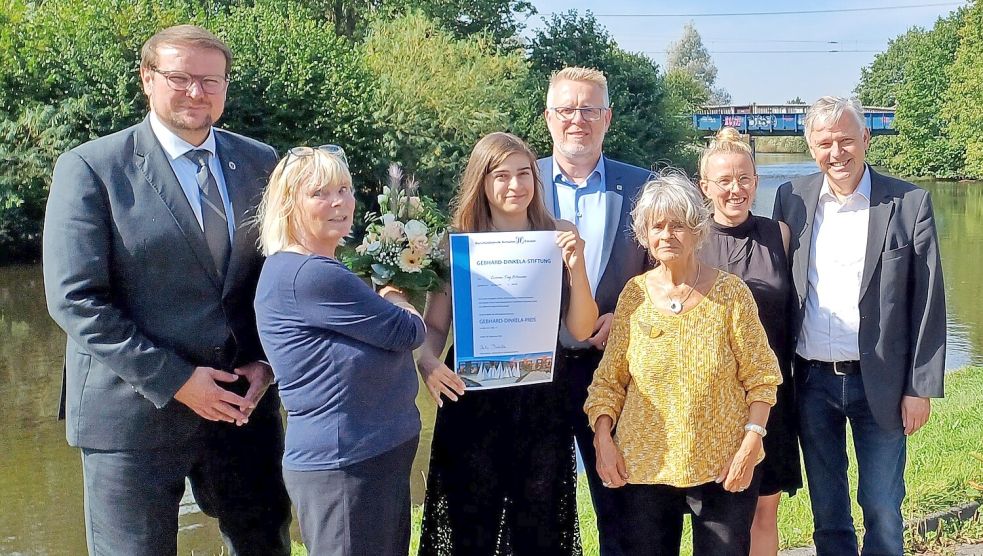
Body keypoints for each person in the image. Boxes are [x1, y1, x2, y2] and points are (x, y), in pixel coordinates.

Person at [42, 25, 291, 555]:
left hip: (242, 408)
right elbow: (75, 300)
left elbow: (281, 275)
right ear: (147, 79)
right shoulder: (91, 168)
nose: (197, 93)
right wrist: (179, 380)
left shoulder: (261, 161)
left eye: (211, 80)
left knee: (264, 546)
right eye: (180, 78)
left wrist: (266, 363)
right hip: (132, 414)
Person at [772, 96, 946, 556]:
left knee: (883, 506)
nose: (837, 152)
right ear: (811, 146)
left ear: (866, 138)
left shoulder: (908, 203)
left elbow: (928, 302)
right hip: (811, 383)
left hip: (883, 384)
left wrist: (920, 387)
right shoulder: (791, 198)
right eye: (825, 142)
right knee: (827, 510)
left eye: (846, 139)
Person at [417, 131, 598, 555]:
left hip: (540, 400)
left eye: (524, 174)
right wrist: (426, 361)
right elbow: (435, 327)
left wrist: (577, 267)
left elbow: (581, 328)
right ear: (481, 181)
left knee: (539, 526)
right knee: (469, 523)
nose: (514, 185)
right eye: (501, 175)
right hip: (471, 398)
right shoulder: (454, 243)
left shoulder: (559, 235)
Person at [585, 170, 783, 556]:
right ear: (644, 235)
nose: (667, 235)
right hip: (644, 467)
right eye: (656, 226)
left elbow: (762, 379)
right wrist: (602, 437)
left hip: (723, 465)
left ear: (697, 230)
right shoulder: (634, 296)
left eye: (678, 225)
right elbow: (608, 383)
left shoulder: (731, 294)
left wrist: (750, 444)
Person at [253, 146, 425, 556]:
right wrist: (394, 292)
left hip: (367, 458)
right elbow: (408, 331)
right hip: (345, 465)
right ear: (289, 203)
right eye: (320, 193)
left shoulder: (312, 268)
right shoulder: (311, 275)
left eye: (345, 189)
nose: (339, 202)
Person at [537, 66, 652, 554]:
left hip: (615, 372)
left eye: (588, 109)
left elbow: (665, 269)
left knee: (620, 503)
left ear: (606, 118)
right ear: (548, 117)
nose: (576, 119)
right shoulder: (518, 182)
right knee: (537, 503)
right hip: (534, 371)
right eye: (566, 109)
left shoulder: (642, 186)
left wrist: (628, 320)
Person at [696, 127, 803, 556]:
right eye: (724, 180)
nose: (735, 189)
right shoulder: (689, 240)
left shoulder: (780, 236)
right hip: (709, 402)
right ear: (705, 186)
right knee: (716, 520)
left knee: (763, 512)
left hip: (771, 398)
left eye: (744, 178)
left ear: (756, 181)